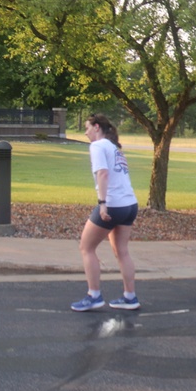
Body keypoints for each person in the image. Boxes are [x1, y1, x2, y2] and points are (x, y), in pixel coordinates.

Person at [70, 114, 141, 312]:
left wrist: (102, 203)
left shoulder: (98, 146)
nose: (85, 132)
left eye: (87, 128)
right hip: (129, 205)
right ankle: (130, 297)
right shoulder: (114, 147)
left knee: (86, 247)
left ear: (97, 127)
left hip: (113, 204)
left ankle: (94, 295)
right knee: (122, 251)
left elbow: (103, 173)